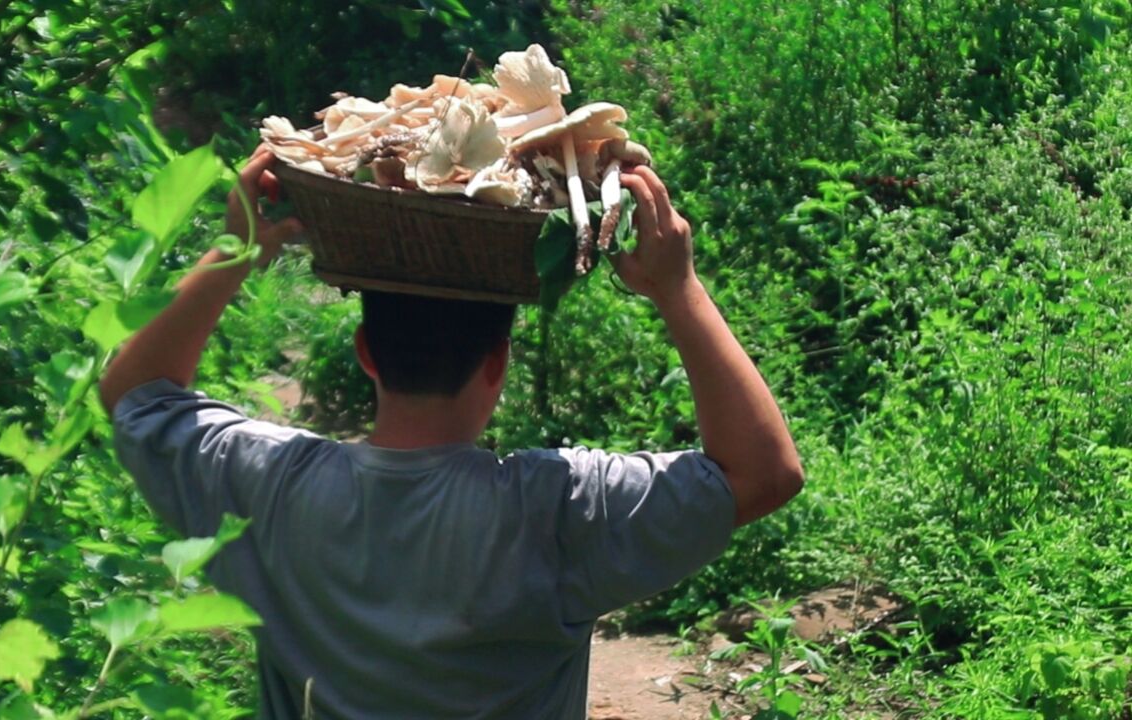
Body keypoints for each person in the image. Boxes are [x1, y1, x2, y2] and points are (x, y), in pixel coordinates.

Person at [99, 145, 804, 719]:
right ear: (497, 362)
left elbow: (134, 393)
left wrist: (239, 246)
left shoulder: (267, 485)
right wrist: (676, 287)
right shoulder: (554, 509)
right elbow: (764, 472)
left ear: (365, 353)